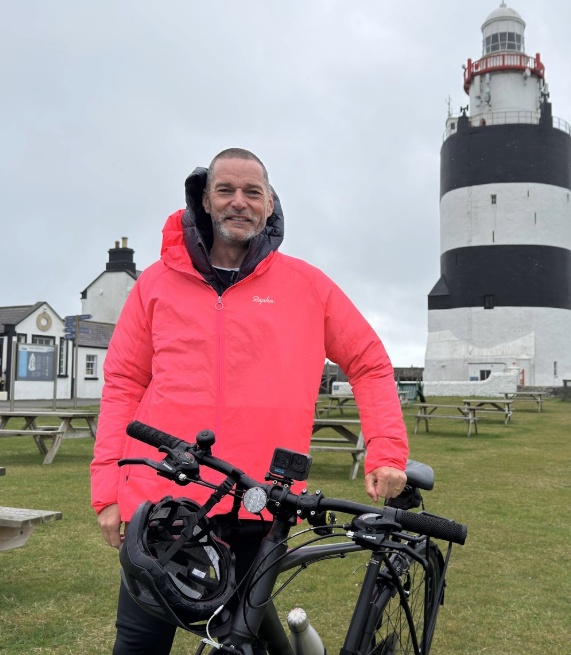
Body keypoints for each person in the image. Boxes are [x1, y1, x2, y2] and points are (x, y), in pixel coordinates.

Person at [90, 148, 409, 655]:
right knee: (138, 643)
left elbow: (369, 361)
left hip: (260, 502)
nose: (239, 202)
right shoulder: (154, 284)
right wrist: (107, 488)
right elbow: (124, 382)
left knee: (242, 643)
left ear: (269, 204)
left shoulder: (308, 285)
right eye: (226, 190)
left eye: (252, 192)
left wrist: (387, 450)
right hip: (165, 501)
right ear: (205, 200)